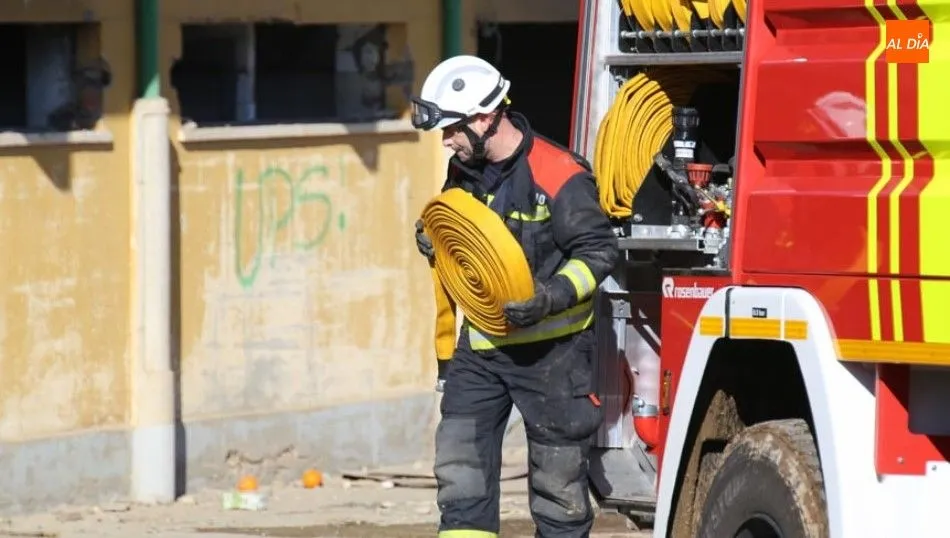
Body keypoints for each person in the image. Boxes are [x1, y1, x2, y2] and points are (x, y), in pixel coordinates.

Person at [410, 55, 620, 538]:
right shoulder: (465, 168)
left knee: (558, 494)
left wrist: (550, 297)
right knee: (459, 478)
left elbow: (599, 252)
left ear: (485, 119)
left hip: (555, 356)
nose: (446, 142)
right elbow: (463, 242)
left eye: (452, 129)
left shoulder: (559, 174)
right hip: (482, 352)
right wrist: (433, 240)